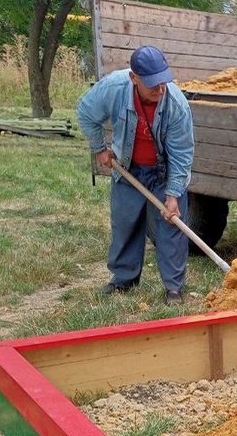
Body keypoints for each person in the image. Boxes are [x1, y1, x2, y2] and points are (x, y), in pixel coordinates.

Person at [77, 46, 194, 305]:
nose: (159, 89)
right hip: (128, 168)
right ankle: (123, 280)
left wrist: (173, 194)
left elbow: (182, 153)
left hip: (164, 172)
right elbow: (86, 112)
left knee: (171, 227)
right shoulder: (114, 89)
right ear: (134, 78)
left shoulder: (176, 105)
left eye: (163, 81)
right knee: (125, 223)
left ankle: (174, 288)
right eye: (152, 84)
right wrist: (99, 148)